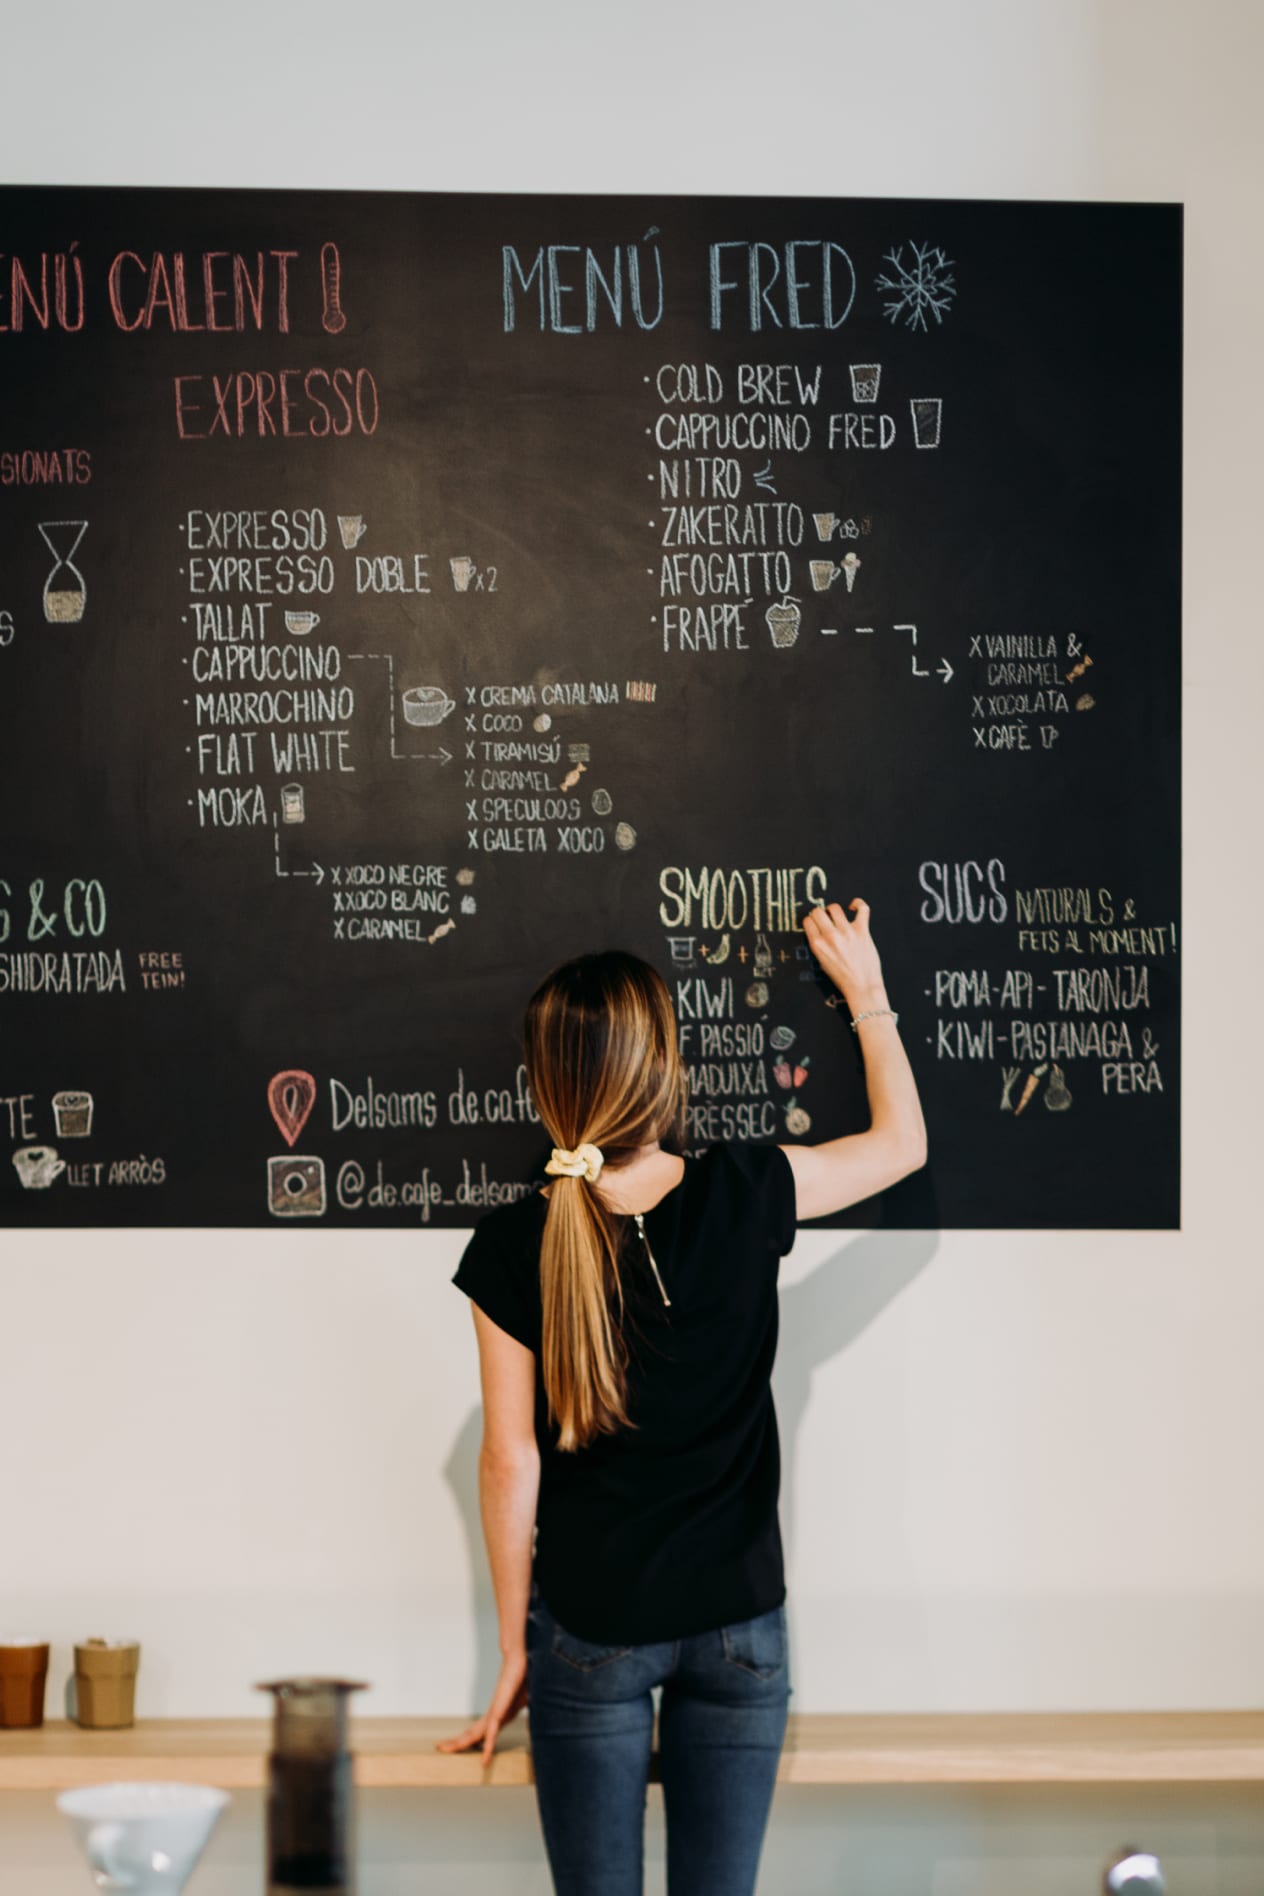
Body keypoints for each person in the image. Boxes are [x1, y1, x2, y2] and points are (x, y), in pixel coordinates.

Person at [438, 898, 926, 1895]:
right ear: (665, 1069)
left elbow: (509, 1460)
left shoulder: (509, 1245)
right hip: (740, 1629)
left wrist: (508, 1646)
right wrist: (866, 992)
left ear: (544, 1084)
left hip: (589, 1632)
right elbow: (899, 1147)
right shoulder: (747, 1191)